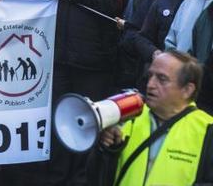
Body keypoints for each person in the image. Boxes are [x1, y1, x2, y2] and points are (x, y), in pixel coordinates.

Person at [30, 0, 132, 185]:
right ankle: (55, 176)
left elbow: (113, 3)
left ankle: (80, 179)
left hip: (94, 62)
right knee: (57, 121)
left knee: (86, 124)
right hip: (59, 57)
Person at [91, 50, 213, 186]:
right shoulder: (126, 117)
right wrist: (105, 151)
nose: (150, 84)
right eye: (150, 76)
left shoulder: (208, 129)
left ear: (187, 90)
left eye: (162, 79)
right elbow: (95, 178)